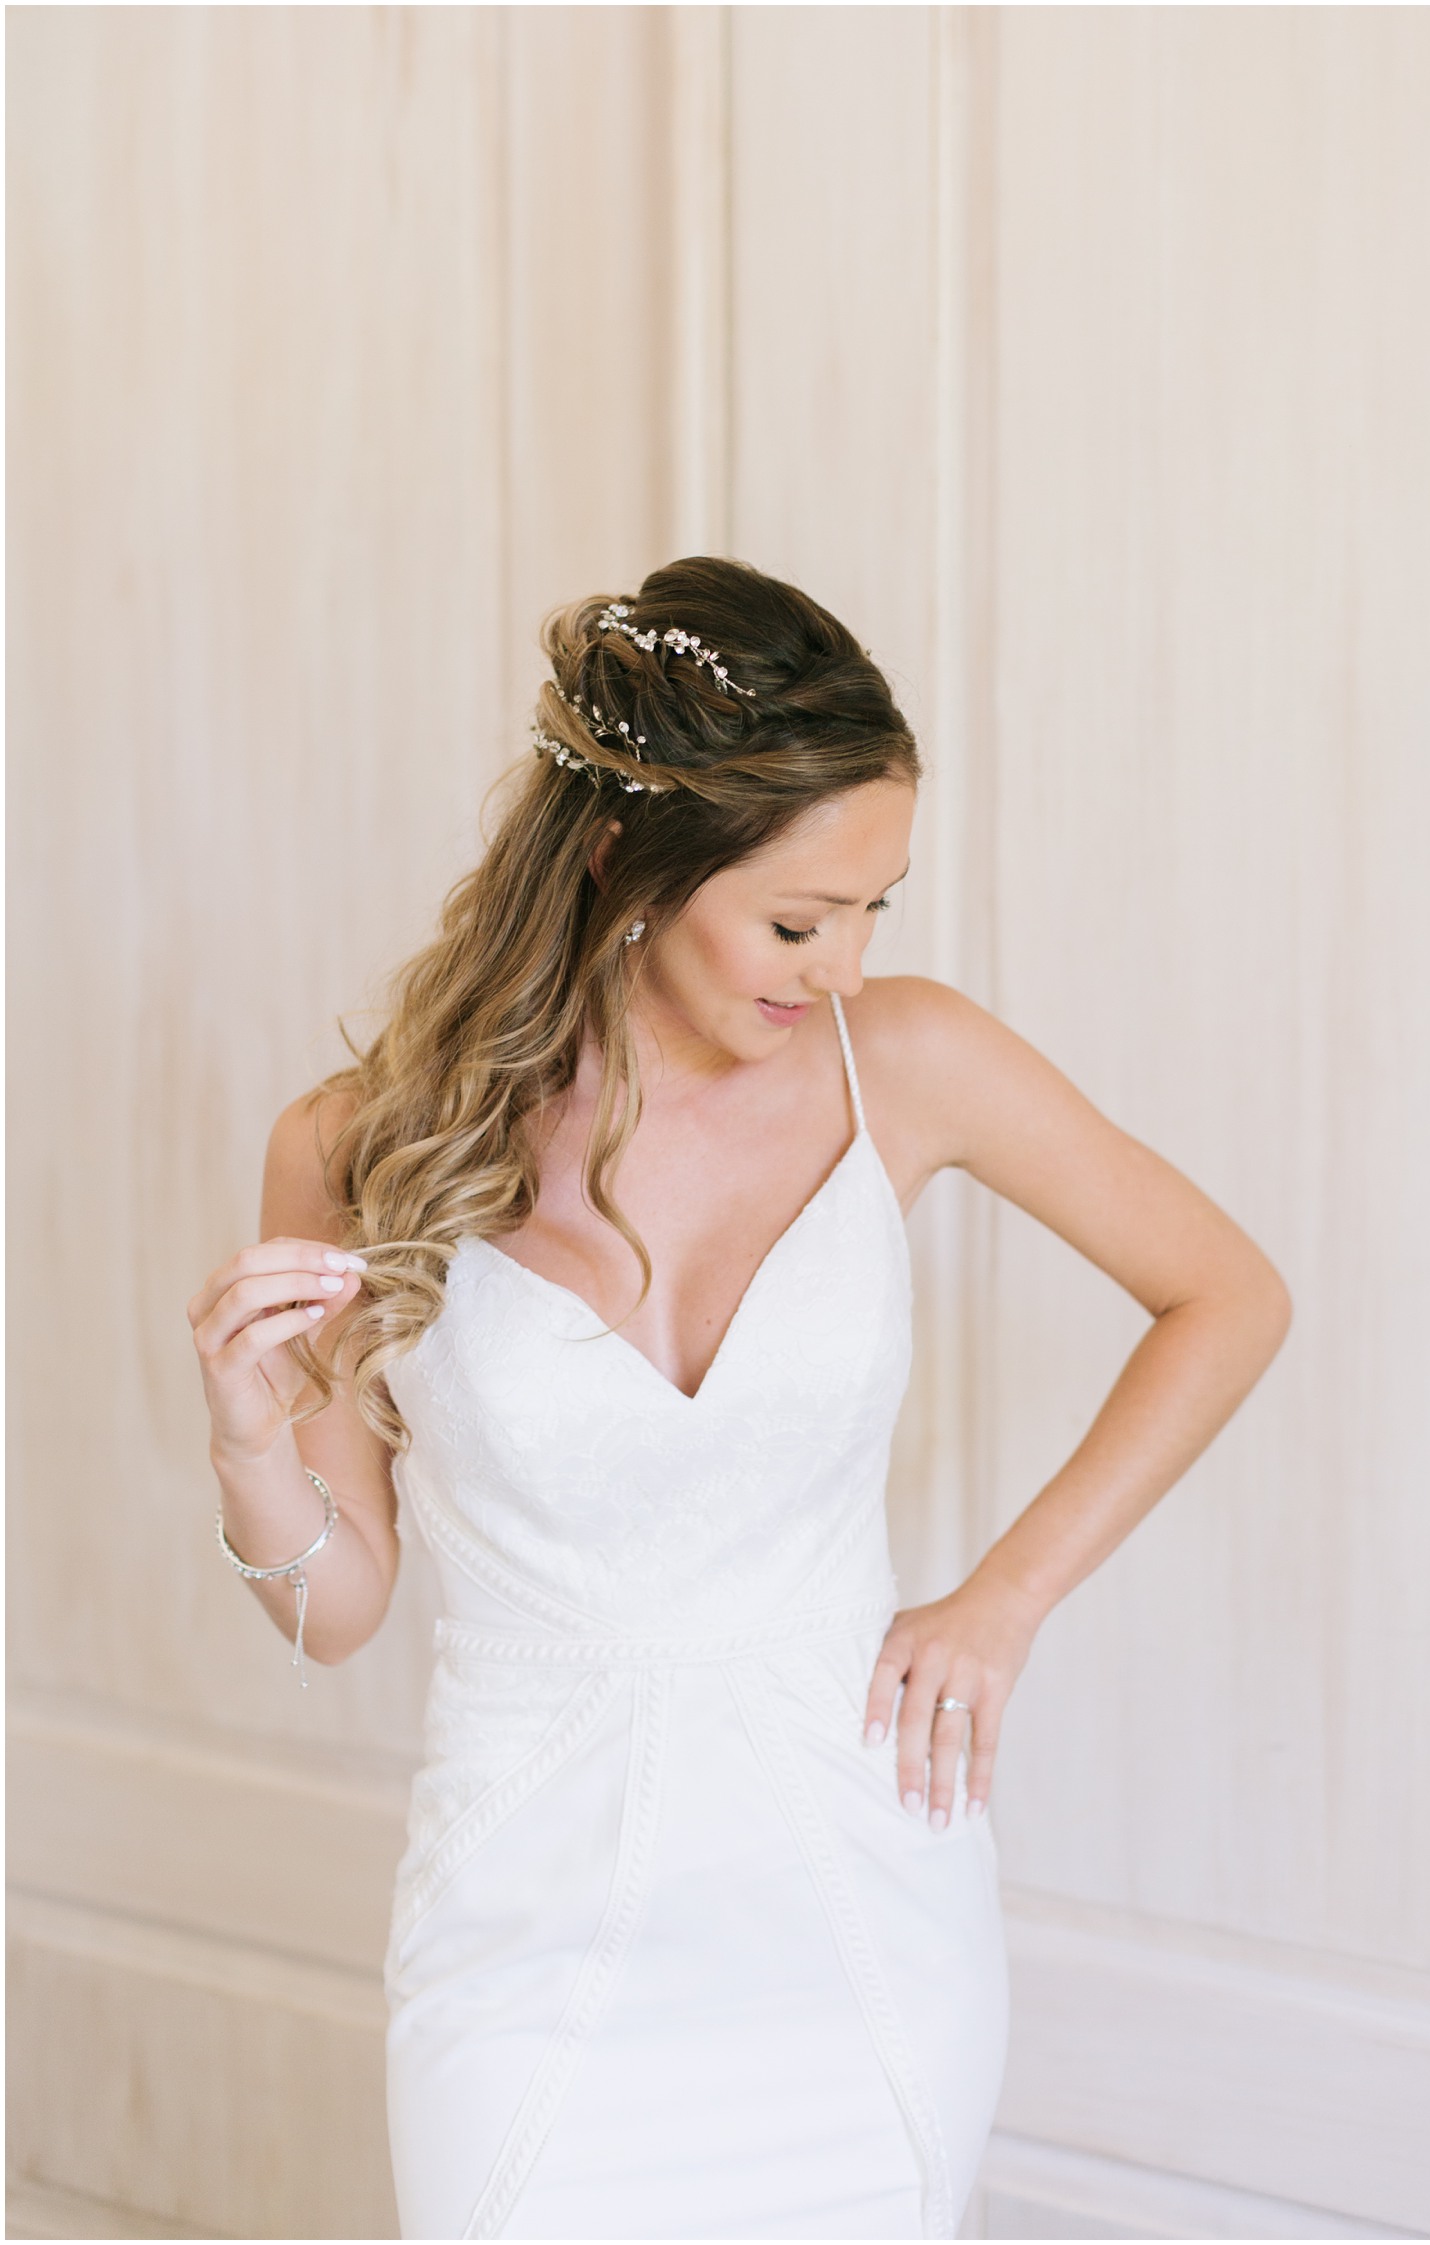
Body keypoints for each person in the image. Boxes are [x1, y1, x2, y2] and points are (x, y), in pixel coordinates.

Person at [187, 557, 1291, 2241]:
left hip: (858, 1898)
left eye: (874, 910)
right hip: (529, 1922)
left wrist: (1005, 1598)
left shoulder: (905, 1065)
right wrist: (249, 1441)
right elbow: (340, 1609)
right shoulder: (358, 1142)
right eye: (796, 919)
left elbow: (1229, 1291)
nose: (841, 967)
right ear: (628, 857)